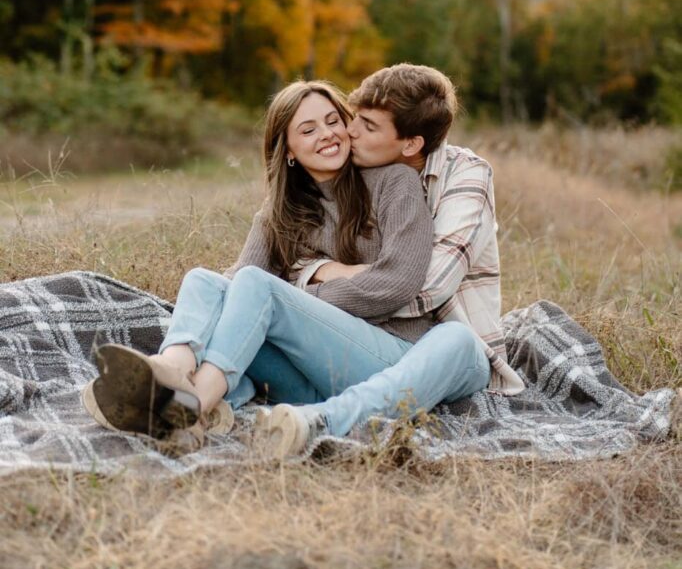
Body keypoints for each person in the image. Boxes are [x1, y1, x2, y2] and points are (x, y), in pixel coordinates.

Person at [84, 79, 491, 453]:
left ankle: (194, 405)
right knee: (205, 282)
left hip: (388, 353)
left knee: (257, 288)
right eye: (309, 129)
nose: (329, 133)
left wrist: (295, 296)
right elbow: (234, 290)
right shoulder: (277, 215)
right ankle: (169, 373)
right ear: (289, 150)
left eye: (334, 120)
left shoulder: (393, 182)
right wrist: (276, 298)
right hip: (311, 379)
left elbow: (397, 283)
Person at [255, 63, 524, 458]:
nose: (348, 131)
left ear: (411, 144)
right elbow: (282, 259)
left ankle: (323, 422)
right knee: (255, 317)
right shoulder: (355, 173)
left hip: (446, 347)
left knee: (453, 339)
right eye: (353, 117)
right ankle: (208, 401)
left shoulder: (465, 177)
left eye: (367, 125)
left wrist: (300, 299)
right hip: (365, 345)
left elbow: (424, 287)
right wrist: (318, 273)